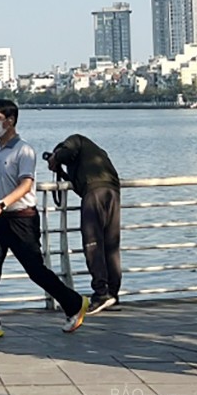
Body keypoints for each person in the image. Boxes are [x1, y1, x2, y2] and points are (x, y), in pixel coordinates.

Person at [0, 100, 88, 339]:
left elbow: (26, 185)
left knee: (35, 270)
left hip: (21, 219)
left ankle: (74, 303)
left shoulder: (24, 150)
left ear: (10, 120)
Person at [45, 134, 122, 313]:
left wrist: (55, 157)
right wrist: (62, 171)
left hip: (95, 194)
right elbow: (80, 187)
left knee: (92, 243)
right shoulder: (95, 156)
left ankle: (101, 293)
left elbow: (67, 152)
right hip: (112, 193)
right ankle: (112, 294)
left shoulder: (76, 140)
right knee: (111, 245)